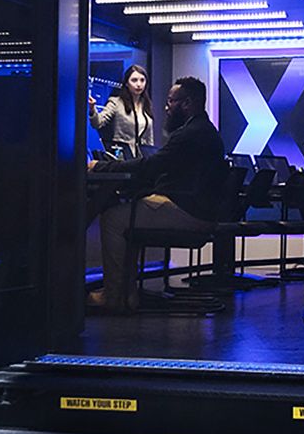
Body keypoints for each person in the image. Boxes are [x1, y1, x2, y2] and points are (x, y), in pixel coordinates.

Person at [93, 76, 226, 312]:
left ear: (187, 104)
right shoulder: (205, 130)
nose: (166, 107)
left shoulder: (190, 134)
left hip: (188, 211)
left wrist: (99, 167)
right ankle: (127, 293)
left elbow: (150, 166)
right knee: (127, 215)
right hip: (199, 211)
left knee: (114, 219)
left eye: (171, 101)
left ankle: (115, 296)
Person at [90, 64, 154, 160]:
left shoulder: (145, 104)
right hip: (122, 156)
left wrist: (151, 157)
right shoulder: (116, 102)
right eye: (134, 80)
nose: (139, 84)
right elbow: (98, 123)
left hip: (141, 158)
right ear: (127, 83)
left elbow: (149, 138)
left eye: (142, 80)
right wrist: (92, 109)